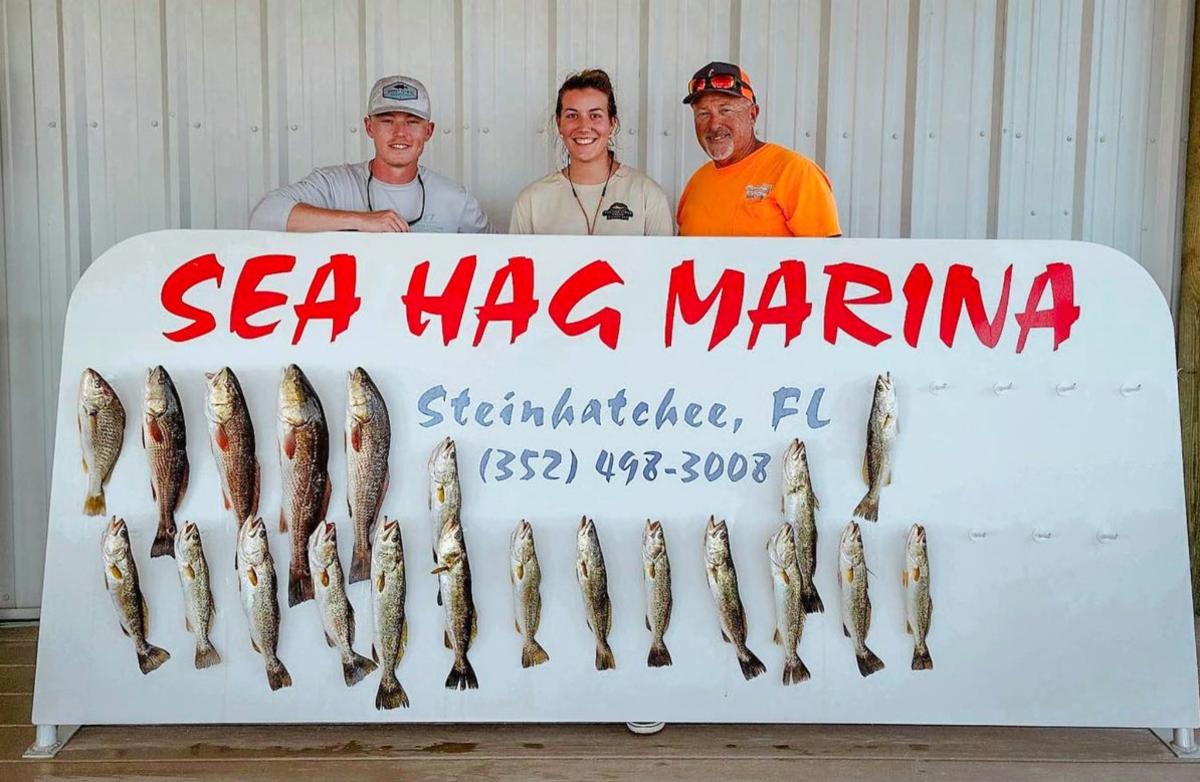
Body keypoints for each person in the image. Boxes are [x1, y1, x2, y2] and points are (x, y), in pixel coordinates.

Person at [249, 75, 490, 233]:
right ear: (368, 127)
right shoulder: (334, 184)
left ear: (428, 131)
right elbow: (264, 216)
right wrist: (360, 221)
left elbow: (497, 257)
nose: (400, 133)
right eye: (387, 121)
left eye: (412, 122)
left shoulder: (455, 199)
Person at [676, 61, 841, 238]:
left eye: (725, 110)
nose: (714, 124)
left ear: (752, 115)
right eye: (703, 114)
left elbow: (828, 253)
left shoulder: (795, 173)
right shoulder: (696, 183)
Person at [510, 69, 673, 236]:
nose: (583, 127)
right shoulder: (531, 202)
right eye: (572, 115)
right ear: (559, 124)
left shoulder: (648, 196)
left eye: (595, 115)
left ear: (612, 123)